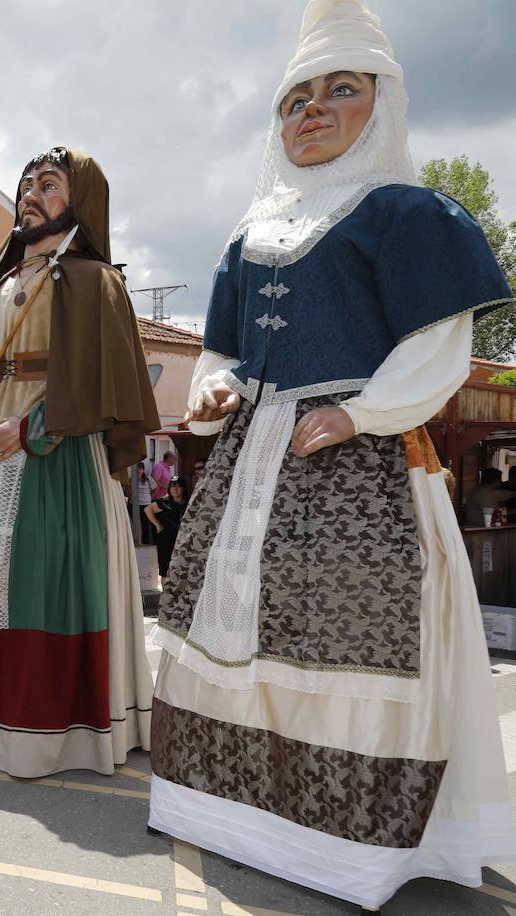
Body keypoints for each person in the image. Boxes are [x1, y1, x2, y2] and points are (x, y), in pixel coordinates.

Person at [148, 2, 516, 908]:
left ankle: (348, 846)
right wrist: (216, 385)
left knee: (352, 632)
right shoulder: (250, 232)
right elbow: (224, 347)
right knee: (233, 625)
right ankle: (230, 810)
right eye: (295, 98)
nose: (311, 111)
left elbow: (437, 343)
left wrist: (364, 414)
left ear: (379, 105)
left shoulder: (404, 212)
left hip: (360, 458)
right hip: (250, 464)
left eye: (339, 90)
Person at [0, 145, 161, 778]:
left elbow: (103, 382)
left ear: (80, 202)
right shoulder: (0, 280)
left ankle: (48, 725)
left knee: (40, 568)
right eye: (26, 184)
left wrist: (33, 429)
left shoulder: (96, 282)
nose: (31, 194)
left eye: (48, 185)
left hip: (59, 449)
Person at [144, 476, 187, 579]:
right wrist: (157, 524)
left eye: (178, 486)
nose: (175, 489)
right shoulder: (164, 502)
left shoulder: (188, 503)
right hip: (166, 542)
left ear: (183, 488)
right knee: (165, 570)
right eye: (172, 486)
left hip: (183, 542)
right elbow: (147, 509)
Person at [135, 463, 154, 544]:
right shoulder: (131, 479)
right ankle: (136, 540)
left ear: (143, 470)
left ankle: (145, 541)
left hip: (145, 504)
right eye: (137, 469)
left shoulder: (148, 479)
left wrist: (150, 498)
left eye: (140, 468)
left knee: (145, 524)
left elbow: (155, 489)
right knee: (134, 523)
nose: (138, 470)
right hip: (134, 504)